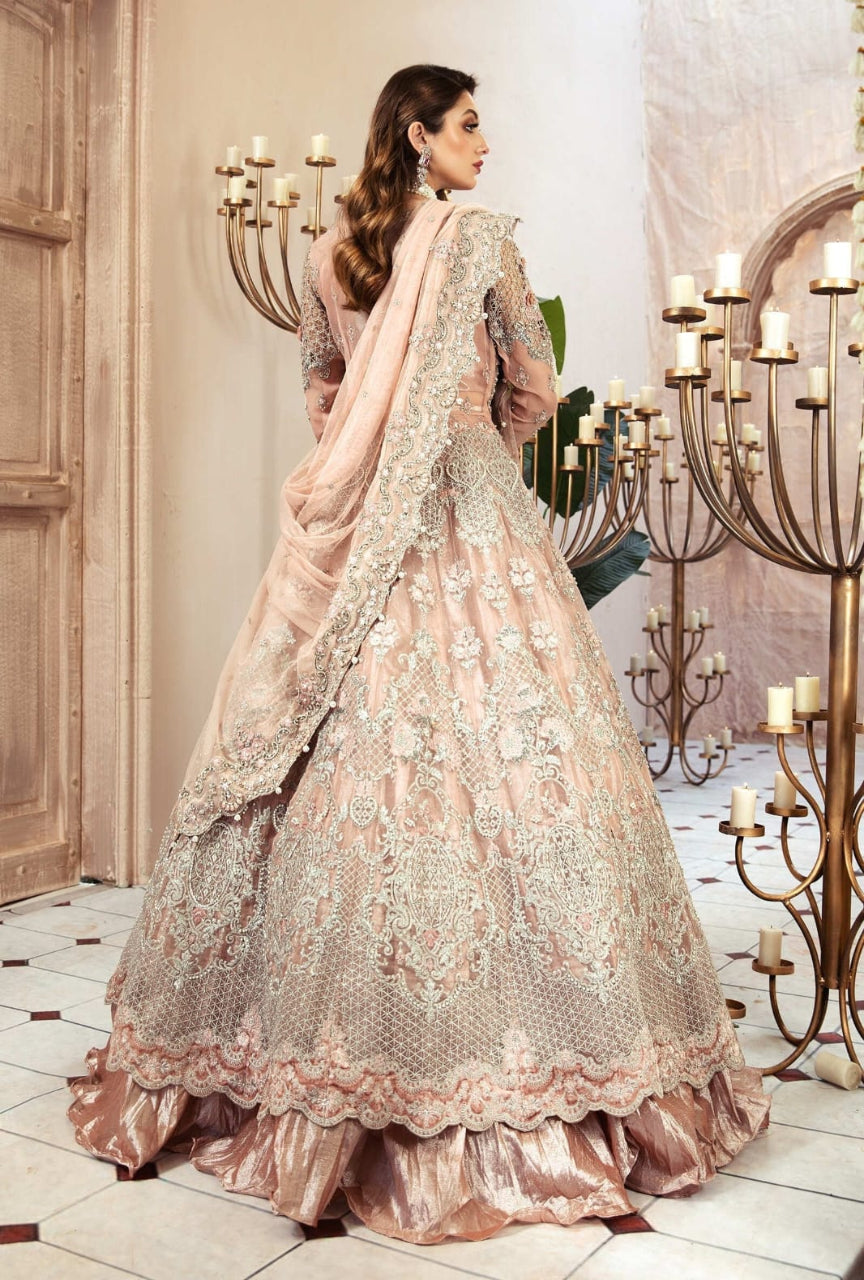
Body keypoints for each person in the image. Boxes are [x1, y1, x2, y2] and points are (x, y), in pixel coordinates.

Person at [68, 64, 769, 1245]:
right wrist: (472, 440)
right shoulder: (481, 244)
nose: (484, 145)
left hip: (360, 536)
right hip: (475, 517)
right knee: (524, 767)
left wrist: (377, 452)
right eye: (469, 124)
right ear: (418, 132)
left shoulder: (328, 257)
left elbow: (323, 392)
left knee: (340, 752)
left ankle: (292, 1062)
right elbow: (534, 390)